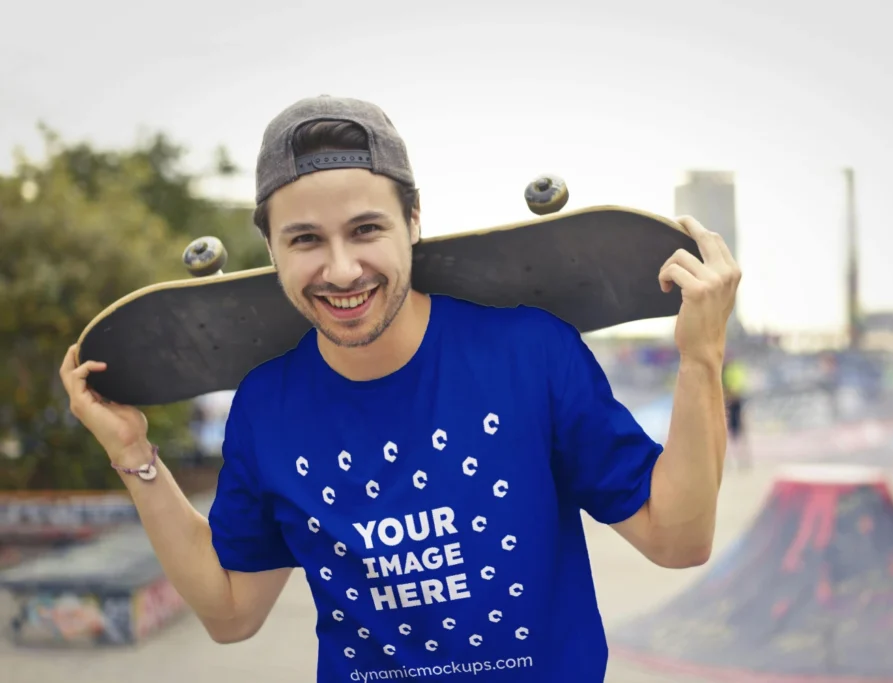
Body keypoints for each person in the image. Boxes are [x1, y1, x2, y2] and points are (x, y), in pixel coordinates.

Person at [60, 95, 741, 681]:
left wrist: (700, 357)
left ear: (414, 221)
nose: (342, 268)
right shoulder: (267, 407)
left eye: (366, 229)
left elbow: (677, 539)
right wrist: (135, 456)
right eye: (305, 240)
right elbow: (232, 612)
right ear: (271, 249)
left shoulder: (529, 354)